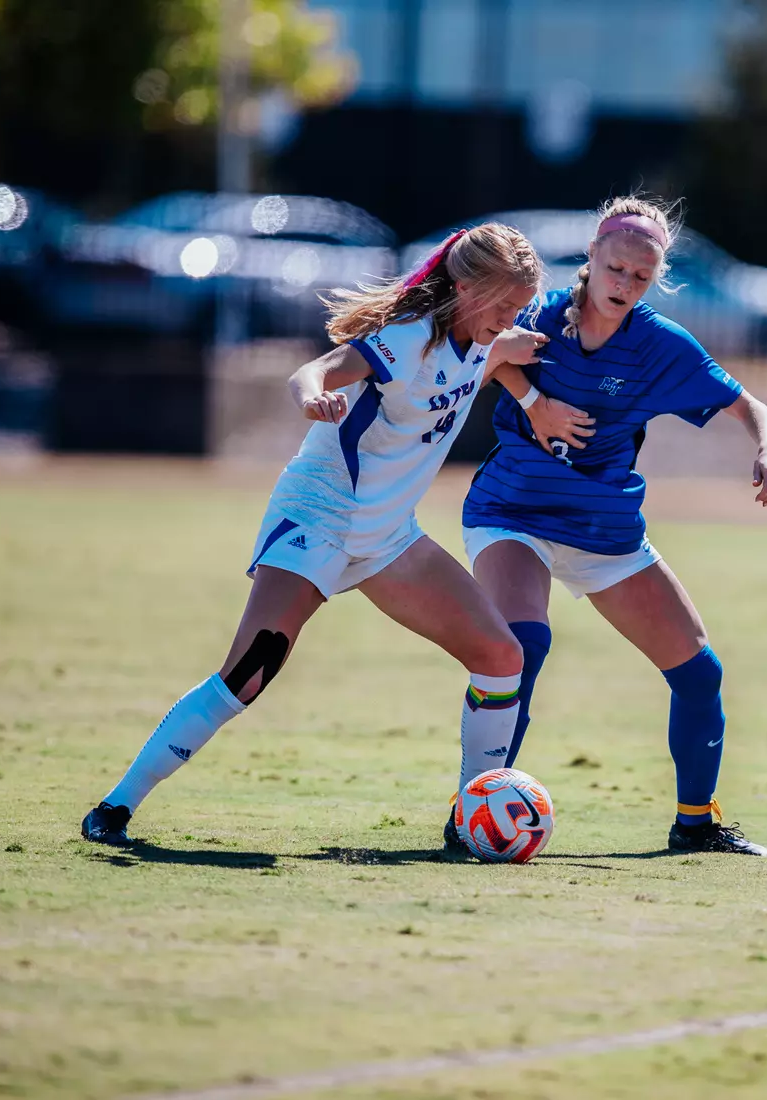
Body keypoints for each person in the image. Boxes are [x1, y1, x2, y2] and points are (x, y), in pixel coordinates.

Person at [80, 223, 584, 844]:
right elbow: (313, 372)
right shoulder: (406, 338)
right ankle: (115, 807)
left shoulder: (484, 337)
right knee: (246, 675)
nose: (512, 318)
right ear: (464, 288)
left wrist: (533, 399)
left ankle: (468, 820)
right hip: (320, 516)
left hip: (388, 537)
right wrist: (314, 398)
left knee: (502, 658)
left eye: (520, 306)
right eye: (504, 304)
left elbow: (495, 358)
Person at [452, 196, 767, 857]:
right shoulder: (537, 314)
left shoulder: (661, 346)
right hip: (513, 512)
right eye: (616, 268)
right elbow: (474, 356)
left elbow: (750, 406)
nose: (625, 284)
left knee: (700, 673)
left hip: (605, 530)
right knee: (522, 648)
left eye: (641, 275)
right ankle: (470, 813)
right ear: (592, 256)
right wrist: (534, 400)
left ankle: (696, 824)